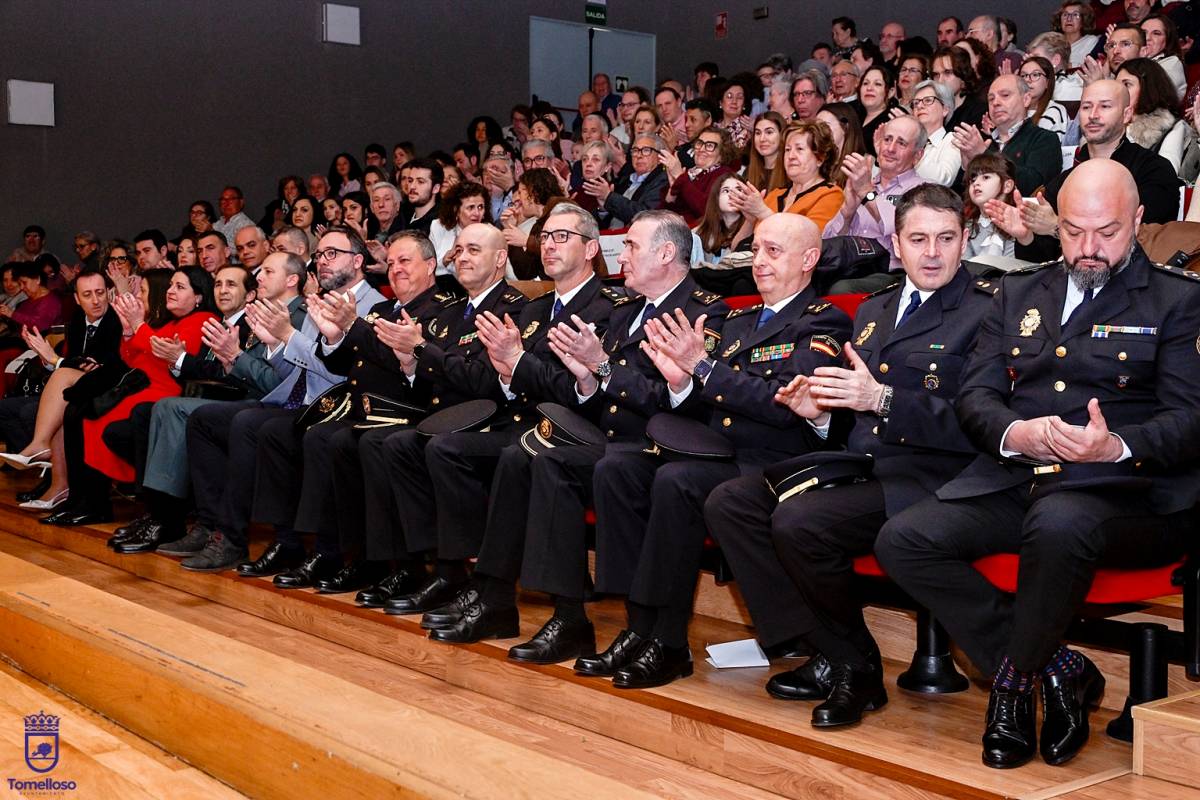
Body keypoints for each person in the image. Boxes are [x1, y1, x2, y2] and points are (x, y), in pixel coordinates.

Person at [876, 159, 1200, 769]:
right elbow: (975, 396)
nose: (1089, 247)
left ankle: (1011, 691)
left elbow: (1193, 419)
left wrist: (1118, 446)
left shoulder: (1177, 301)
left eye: (1106, 231)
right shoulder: (1019, 292)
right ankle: (1061, 669)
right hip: (1023, 474)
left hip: (1128, 493)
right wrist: (1015, 431)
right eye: (1074, 230)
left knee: (1057, 524)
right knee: (905, 539)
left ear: (1138, 221)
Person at [706, 184, 993, 723]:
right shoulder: (876, 308)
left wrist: (881, 399)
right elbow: (850, 413)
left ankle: (853, 667)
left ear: (965, 242)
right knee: (734, 502)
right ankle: (828, 649)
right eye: (918, 239)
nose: (932, 252)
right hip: (863, 464)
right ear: (896, 245)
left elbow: (979, 422)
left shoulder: (986, 314)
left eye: (947, 239)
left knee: (801, 523)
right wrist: (817, 415)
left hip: (936, 475)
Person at [424, 210, 726, 660]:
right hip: (605, 436)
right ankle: (564, 615)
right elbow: (591, 395)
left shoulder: (703, 309)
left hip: (656, 444)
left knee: (551, 460)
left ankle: (626, 626)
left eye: (631, 246)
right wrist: (587, 376)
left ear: (666, 253)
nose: (620, 255)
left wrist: (596, 370)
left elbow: (687, 401)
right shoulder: (629, 311)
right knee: (543, 460)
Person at [582, 212, 853, 689]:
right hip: (716, 452)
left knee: (677, 480)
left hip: (774, 460)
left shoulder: (824, 319)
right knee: (619, 467)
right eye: (758, 249)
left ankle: (667, 643)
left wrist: (703, 371)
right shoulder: (739, 319)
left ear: (810, 260)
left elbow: (785, 402)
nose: (761, 262)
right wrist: (682, 383)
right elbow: (704, 400)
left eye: (775, 251)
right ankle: (638, 623)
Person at [182, 226, 385, 572]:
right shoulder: (319, 299)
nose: (322, 261)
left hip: (335, 407)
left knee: (254, 426)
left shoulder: (375, 306)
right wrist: (276, 344)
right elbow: (298, 367)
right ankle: (216, 527)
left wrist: (287, 336)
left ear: (358, 260)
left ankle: (258, 539)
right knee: (206, 419)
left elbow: (340, 373)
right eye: (319, 255)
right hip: (298, 399)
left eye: (331, 254)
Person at [40, 270, 216, 527]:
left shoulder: (203, 318)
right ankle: (82, 500)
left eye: (179, 287)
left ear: (198, 296)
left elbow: (164, 352)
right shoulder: (168, 322)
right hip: (141, 388)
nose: (171, 291)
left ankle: (97, 504)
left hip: (160, 392)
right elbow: (133, 357)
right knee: (79, 412)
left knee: (89, 416)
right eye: (170, 285)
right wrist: (128, 333)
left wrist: (137, 326)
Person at [990, 80, 1181, 261]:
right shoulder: (1066, 180)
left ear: (1127, 114)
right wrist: (1026, 236)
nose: (1093, 115)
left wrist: (1057, 227)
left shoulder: (1154, 169)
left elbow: (1142, 240)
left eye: (1105, 106)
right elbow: (1040, 261)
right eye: (1086, 107)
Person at [0, 271, 122, 510]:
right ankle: (59, 486)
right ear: (77, 299)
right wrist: (49, 359)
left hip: (110, 386)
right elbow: (77, 362)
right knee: (62, 397)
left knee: (63, 380)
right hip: (81, 384)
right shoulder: (77, 321)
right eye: (88, 294)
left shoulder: (115, 320)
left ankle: (40, 445)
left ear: (108, 293)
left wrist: (55, 360)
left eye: (100, 293)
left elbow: (104, 367)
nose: (96, 300)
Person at [824, 116, 927, 275]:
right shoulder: (861, 184)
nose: (890, 149)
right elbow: (828, 244)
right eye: (887, 139)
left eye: (901, 143)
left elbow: (899, 227)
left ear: (918, 155)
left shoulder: (924, 190)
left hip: (889, 276)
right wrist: (847, 212)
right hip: (847, 270)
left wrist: (867, 193)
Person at [952, 74, 1063, 196]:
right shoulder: (984, 141)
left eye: (1005, 95)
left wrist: (984, 156)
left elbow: (1032, 185)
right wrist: (966, 167)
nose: (995, 103)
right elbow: (958, 197)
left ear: (1026, 99)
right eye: (991, 99)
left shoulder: (1044, 139)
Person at [734, 120, 845, 232]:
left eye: (799, 149)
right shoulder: (775, 194)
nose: (791, 156)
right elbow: (738, 246)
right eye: (787, 150)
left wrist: (762, 212)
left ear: (820, 158)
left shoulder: (831, 194)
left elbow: (809, 239)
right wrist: (750, 221)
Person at [1118, 58, 1200, 180]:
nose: (1118, 91)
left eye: (1126, 84)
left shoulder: (1170, 127)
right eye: (1116, 85)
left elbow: (1166, 176)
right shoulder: (1107, 125)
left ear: (1148, 87)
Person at [583, 133, 669, 229]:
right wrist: (603, 209)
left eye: (646, 150)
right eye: (635, 151)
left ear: (660, 157)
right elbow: (611, 220)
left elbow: (645, 216)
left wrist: (609, 197)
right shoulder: (624, 180)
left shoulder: (663, 180)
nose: (639, 155)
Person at [660, 126, 738, 222]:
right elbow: (662, 213)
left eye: (709, 146)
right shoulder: (689, 173)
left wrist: (680, 177)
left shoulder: (724, 175)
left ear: (722, 152)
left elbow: (707, 211)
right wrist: (672, 191)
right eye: (699, 143)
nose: (701, 149)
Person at [964, 153, 1019, 258]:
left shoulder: (1016, 223)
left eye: (985, 177)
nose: (976, 183)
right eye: (973, 180)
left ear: (1007, 186)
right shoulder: (968, 226)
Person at [912, 80, 961, 186]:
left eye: (928, 100)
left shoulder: (953, 140)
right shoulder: (910, 142)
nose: (920, 106)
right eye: (916, 103)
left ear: (945, 109)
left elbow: (944, 179)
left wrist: (913, 155)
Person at [934, 46, 989, 131]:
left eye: (947, 73)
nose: (940, 80)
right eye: (936, 75)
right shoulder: (931, 109)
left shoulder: (978, 111)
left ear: (963, 75)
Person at [1020, 56, 1071, 140]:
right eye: (1024, 75)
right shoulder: (1014, 111)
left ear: (1047, 82)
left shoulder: (1054, 110)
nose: (1028, 80)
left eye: (1035, 75)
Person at [858, 66, 900, 156]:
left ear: (890, 92)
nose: (869, 88)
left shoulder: (894, 118)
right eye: (865, 83)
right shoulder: (854, 114)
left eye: (877, 84)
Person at [744, 112, 786, 192]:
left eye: (769, 132)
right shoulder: (748, 172)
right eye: (758, 133)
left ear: (782, 135)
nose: (762, 139)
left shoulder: (790, 173)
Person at [1052, 1, 1099, 67]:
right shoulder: (1052, 43)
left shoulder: (1090, 41)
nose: (1069, 19)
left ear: (1083, 20)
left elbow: (1085, 67)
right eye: (1065, 14)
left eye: (1075, 15)